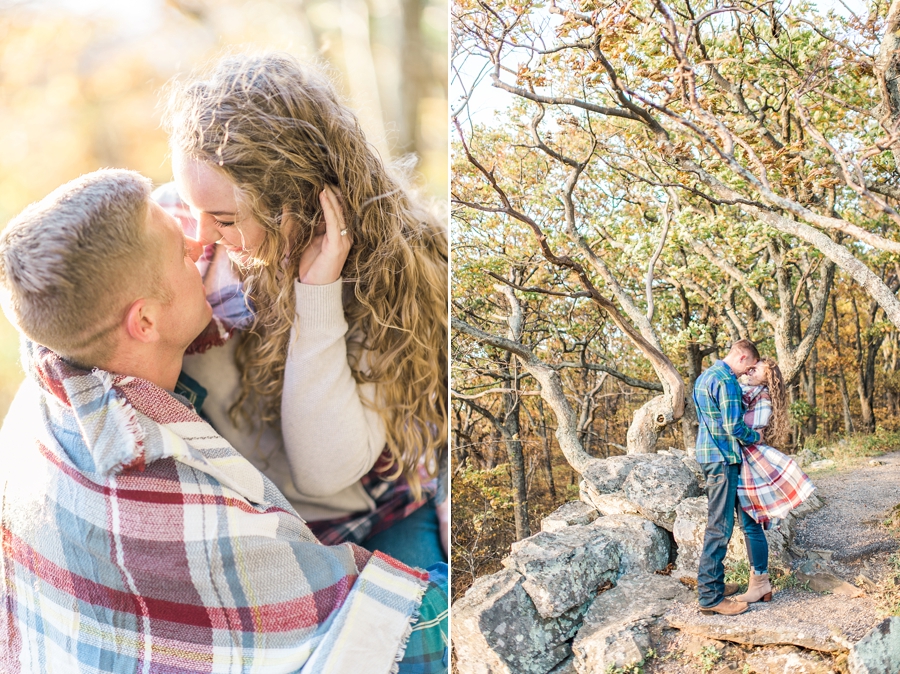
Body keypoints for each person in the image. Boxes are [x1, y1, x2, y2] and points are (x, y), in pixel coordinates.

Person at [0, 169, 447, 673]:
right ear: (144, 321)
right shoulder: (155, 490)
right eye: (178, 250)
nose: (199, 244)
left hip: (373, 509)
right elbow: (377, 636)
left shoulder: (68, 332)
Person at [158, 52, 448, 569]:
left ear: (295, 206)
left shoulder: (381, 283)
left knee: (414, 624)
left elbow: (325, 472)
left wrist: (317, 295)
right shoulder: (176, 227)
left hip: (366, 514)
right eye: (189, 204)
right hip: (251, 521)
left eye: (222, 219)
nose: (197, 236)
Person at [733, 356, 816, 603]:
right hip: (745, 462)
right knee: (748, 525)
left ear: (768, 377)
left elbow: (750, 432)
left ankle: (760, 583)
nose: (750, 369)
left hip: (752, 465)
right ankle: (760, 582)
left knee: (751, 524)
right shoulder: (747, 392)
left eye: (756, 369)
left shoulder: (762, 398)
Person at [692, 339, 763, 616]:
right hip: (722, 458)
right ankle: (710, 597)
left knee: (717, 525)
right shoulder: (727, 382)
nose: (748, 373)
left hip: (709, 455)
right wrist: (756, 436)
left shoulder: (705, 376)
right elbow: (734, 426)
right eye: (751, 367)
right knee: (719, 528)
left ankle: (715, 586)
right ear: (743, 357)